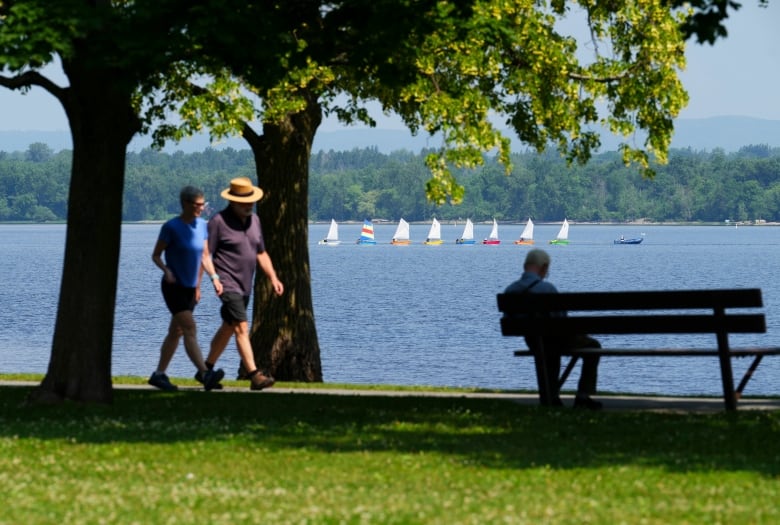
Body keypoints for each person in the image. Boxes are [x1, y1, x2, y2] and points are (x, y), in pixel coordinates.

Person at [204, 177, 284, 391]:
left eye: (251, 201)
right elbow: (205, 254)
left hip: (245, 285)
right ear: (232, 201)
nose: (249, 205)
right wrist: (207, 281)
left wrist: (273, 277)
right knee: (241, 326)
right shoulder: (218, 222)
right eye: (244, 202)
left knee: (229, 327)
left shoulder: (255, 221)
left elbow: (261, 252)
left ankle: (206, 369)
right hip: (227, 284)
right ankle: (254, 375)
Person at [504, 248, 602, 409]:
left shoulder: (510, 290)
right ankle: (582, 396)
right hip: (555, 341)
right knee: (593, 346)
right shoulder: (547, 289)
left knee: (546, 348)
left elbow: (508, 319)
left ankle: (550, 397)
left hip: (532, 341)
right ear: (543, 267)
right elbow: (560, 320)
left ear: (525, 266)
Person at [149, 186, 226, 391]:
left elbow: (204, 256)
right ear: (185, 204)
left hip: (191, 289)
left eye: (203, 204)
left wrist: (214, 278)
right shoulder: (171, 227)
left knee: (176, 331)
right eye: (198, 205)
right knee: (190, 328)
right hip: (173, 287)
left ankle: (158, 375)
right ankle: (204, 373)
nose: (202, 208)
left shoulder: (202, 226)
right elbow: (156, 255)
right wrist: (166, 270)